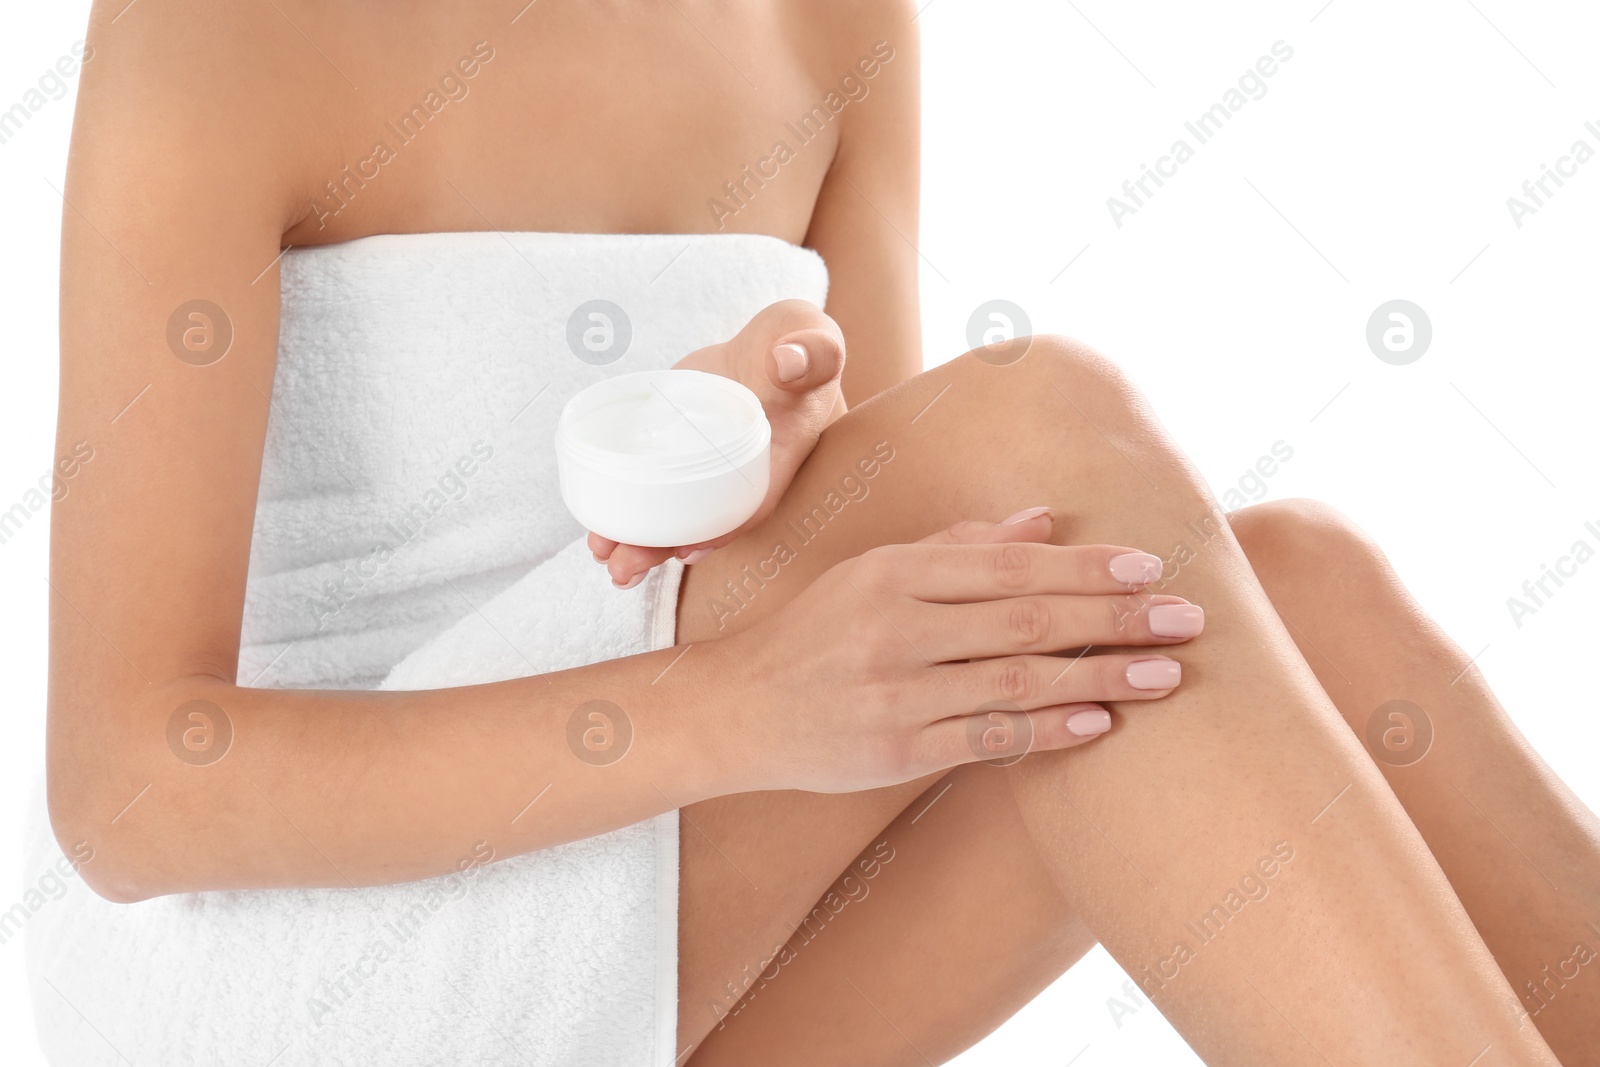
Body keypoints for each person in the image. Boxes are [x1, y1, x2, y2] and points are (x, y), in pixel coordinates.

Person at [38, 0, 1599, 1063]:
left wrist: (786, 446)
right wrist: (731, 701)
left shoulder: (835, 19)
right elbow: (124, 796)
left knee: (1284, 593)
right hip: (309, 975)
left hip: (670, 946)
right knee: (1036, 429)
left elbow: (927, 617)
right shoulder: (221, 26)